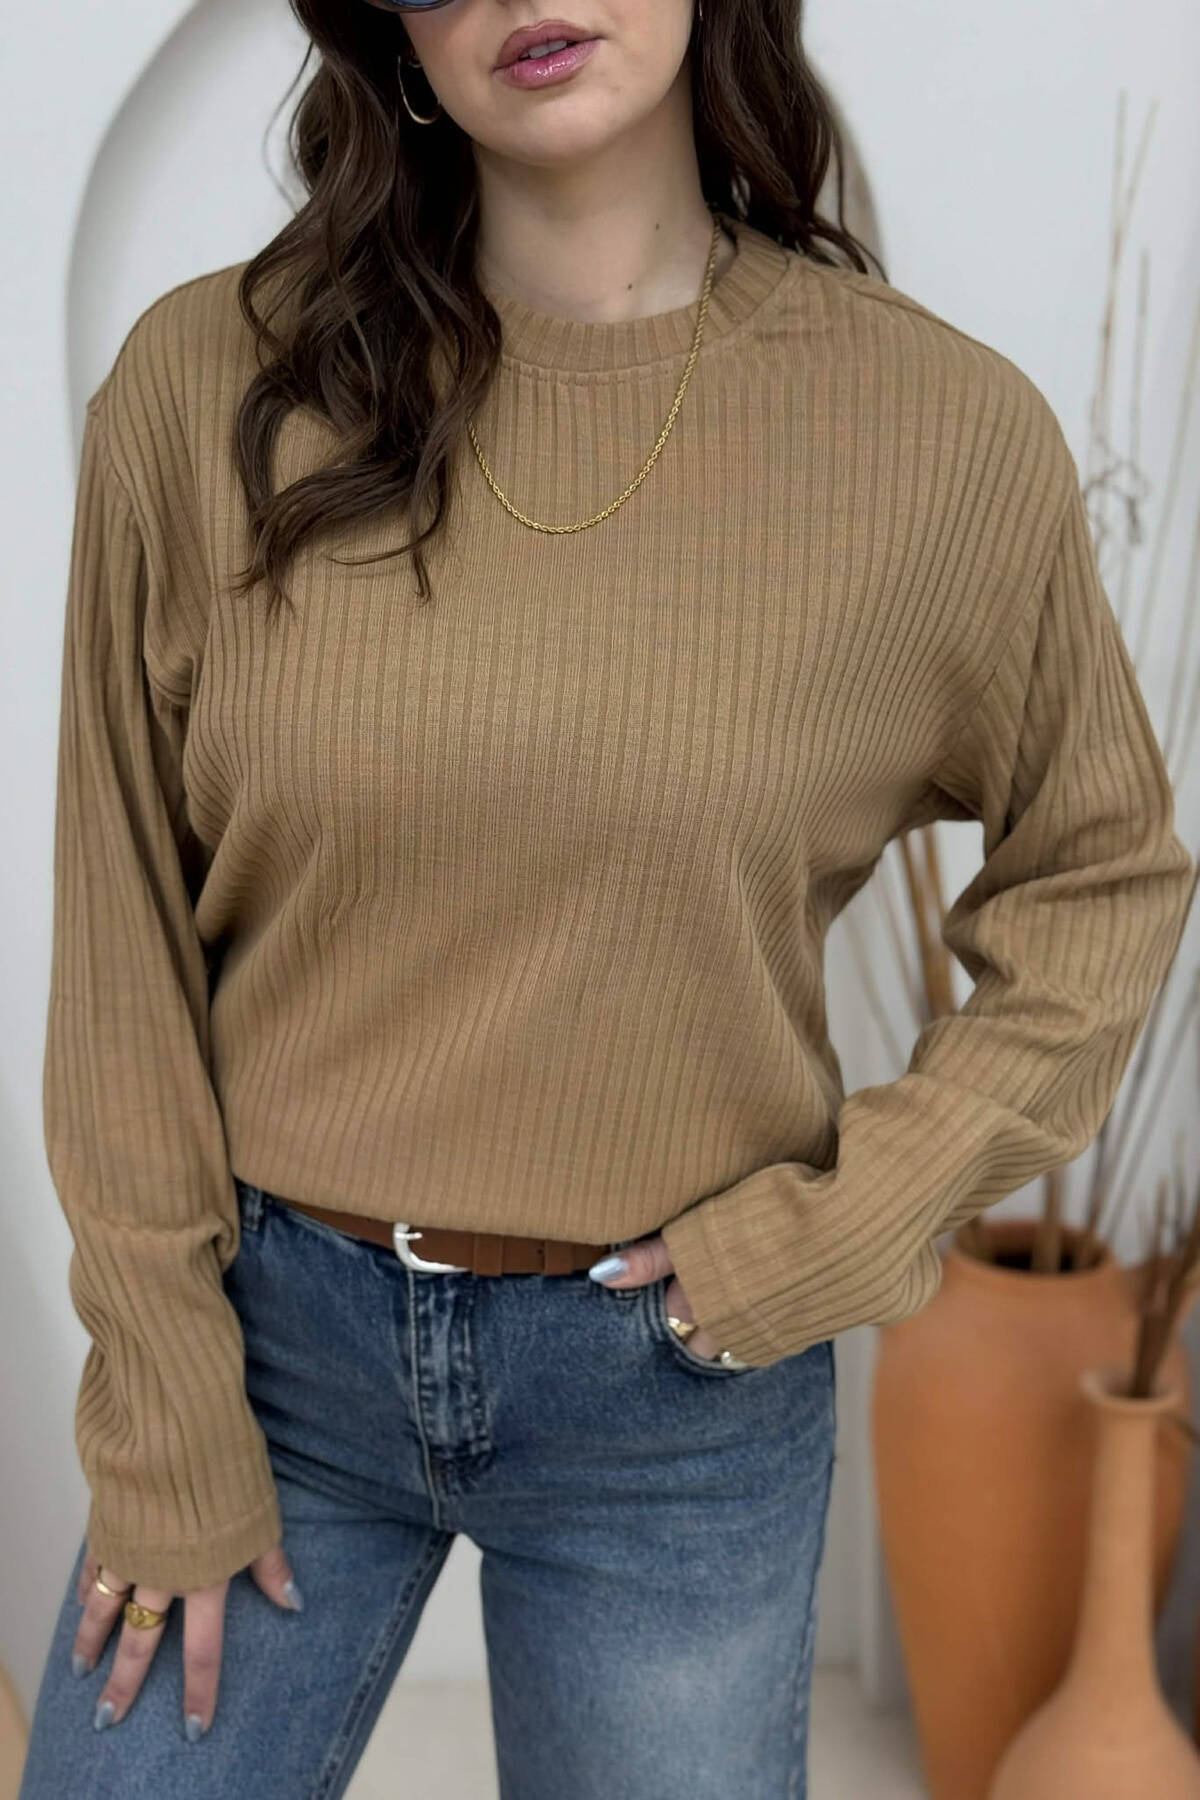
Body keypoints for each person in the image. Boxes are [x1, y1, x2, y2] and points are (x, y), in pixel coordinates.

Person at [19, 0, 1194, 1794]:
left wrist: (856, 1217)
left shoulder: (939, 435)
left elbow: (1102, 875)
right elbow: (120, 933)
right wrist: (162, 1386)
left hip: (679, 1394)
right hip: (266, 1352)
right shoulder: (209, 385)